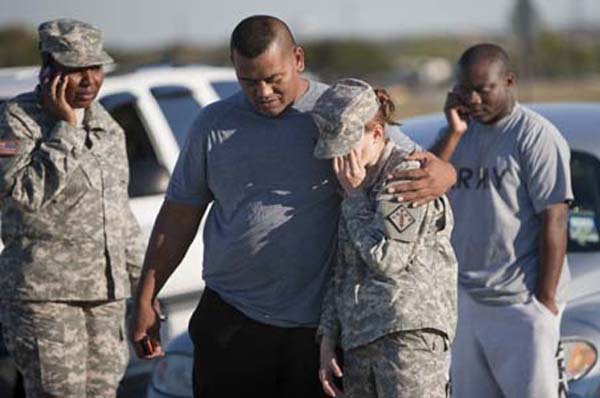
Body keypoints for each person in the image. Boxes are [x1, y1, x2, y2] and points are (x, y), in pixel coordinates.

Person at [129, 15, 457, 398]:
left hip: (314, 330)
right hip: (232, 320)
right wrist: (147, 297)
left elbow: (396, 155)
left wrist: (446, 172)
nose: (263, 91)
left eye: (273, 79)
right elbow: (179, 215)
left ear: (297, 59)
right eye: (249, 81)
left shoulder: (338, 112)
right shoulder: (212, 125)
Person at [0, 19, 144, 398]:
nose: (87, 80)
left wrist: (144, 287)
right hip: (47, 298)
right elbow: (21, 194)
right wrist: (63, 130)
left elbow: (118, 213)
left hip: (106, 298)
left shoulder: (107, 127)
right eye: (74, 69)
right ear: (48, 68)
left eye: (94, 69)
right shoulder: (18, 120)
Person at [433, 43, 572, 398]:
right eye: (466, 89)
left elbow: (554, 218)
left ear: (509, 81)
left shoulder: (535, 135)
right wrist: (452, 132)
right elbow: (424, 182)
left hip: (520, 303)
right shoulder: (460, 131)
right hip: (466, 301)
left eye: (483, 89)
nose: (474, 99)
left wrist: (544, 302)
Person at [314, 79, 457, 398]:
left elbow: (387, 258)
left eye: (347, 146)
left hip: (407, 339)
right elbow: (343, 266)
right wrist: (327, 337)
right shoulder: (356, 181)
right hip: (360, 340)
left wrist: (354, 199)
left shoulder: (407, 175)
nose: (338, 159)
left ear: (376, 133)